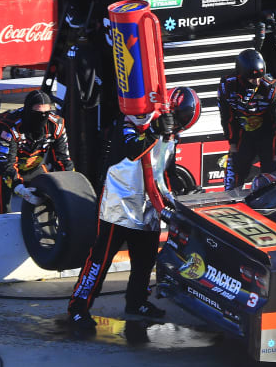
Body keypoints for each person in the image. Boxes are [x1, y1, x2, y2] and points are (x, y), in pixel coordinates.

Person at [68, 86, 201, 331]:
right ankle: (78, 307)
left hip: (148, 206)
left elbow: (165, 171)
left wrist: (176, 199)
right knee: (100, 259)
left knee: (145, 260)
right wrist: (153, 131)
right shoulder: (134, 119)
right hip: (117, 204)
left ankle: (137, 302)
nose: (177, 129)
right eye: (178, 123)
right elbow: (132, 150)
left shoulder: (171, 134)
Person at [0, 90, 73, 215]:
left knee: (48, 194)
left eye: (46, 112)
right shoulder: (10, 127)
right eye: (37, 112)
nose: (42, 117)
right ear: (28, 110)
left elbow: (63, 159)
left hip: (32, 161)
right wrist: (19, 187)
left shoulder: (56, 125)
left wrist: (69, 185)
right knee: (1, 209)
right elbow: (5, 163)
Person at [218, 48, 276, 190]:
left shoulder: (273, 89)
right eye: (251, 78)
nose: (256, 82)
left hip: (268, 136)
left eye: (259, 78)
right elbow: (226, 117)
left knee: (273, 183)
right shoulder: (227, 86)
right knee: (233, 179)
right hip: (244, 135)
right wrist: (232, 143)